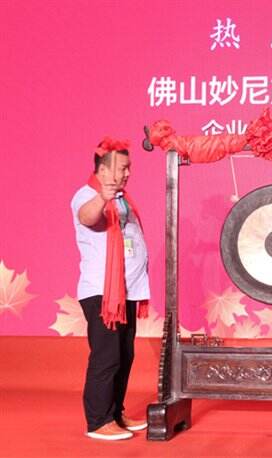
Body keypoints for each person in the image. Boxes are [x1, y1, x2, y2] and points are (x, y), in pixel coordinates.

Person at [71, 137, 150, 440]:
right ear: (103, 170)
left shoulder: (122, 198)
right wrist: (101, 199)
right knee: (106, 357)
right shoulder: (87, 195)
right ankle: (98, 421)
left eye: (129, 168)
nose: (128, 173)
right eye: (122, 168)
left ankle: (115, 412)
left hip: (125, 292)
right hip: (102, 294)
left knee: (124, 355)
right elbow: (87, 218)